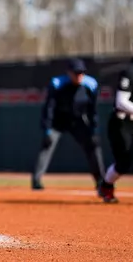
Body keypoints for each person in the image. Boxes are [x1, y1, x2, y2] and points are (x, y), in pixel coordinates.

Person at [32, 58, 105, 193]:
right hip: (57, 121)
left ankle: (101, 181)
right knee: (47, 146)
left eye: (82, 73)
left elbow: (92, 110)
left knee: (93, 146)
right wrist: (47, 130)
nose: (79, 76)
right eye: (76, 73)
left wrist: (94, 129)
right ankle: (36, 180)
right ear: (69, 72)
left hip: (77, 121)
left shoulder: (90, 85)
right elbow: (49, 108)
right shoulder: (57, 84)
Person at [99, 35, 133, 203]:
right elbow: (121, 102)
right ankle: (106, 185)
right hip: (122, 123)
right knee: (124, 164)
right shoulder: (130, 71)